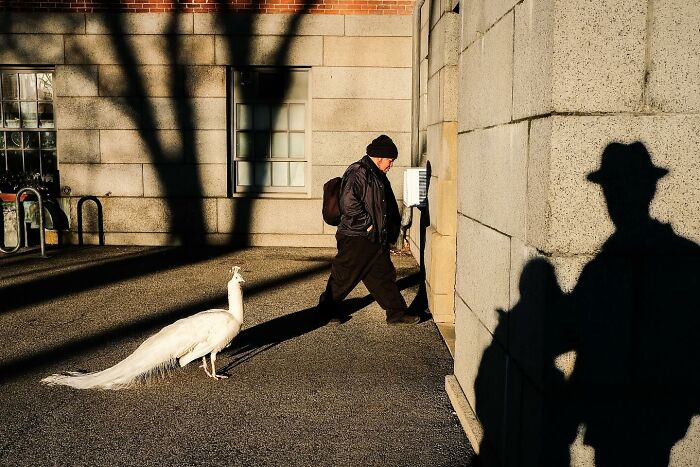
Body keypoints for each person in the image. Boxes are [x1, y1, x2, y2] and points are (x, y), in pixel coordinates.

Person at [318, 135, 420, 325]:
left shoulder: (376, 174)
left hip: (373, 238)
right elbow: (349, 203)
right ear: (380, 157)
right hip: (357, 237)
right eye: (390, 160)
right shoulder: (358, 172)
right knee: (344, 277)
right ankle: (325, 310)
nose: (391, 165)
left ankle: (396, 313)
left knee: (383, 277)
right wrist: (368, 224)